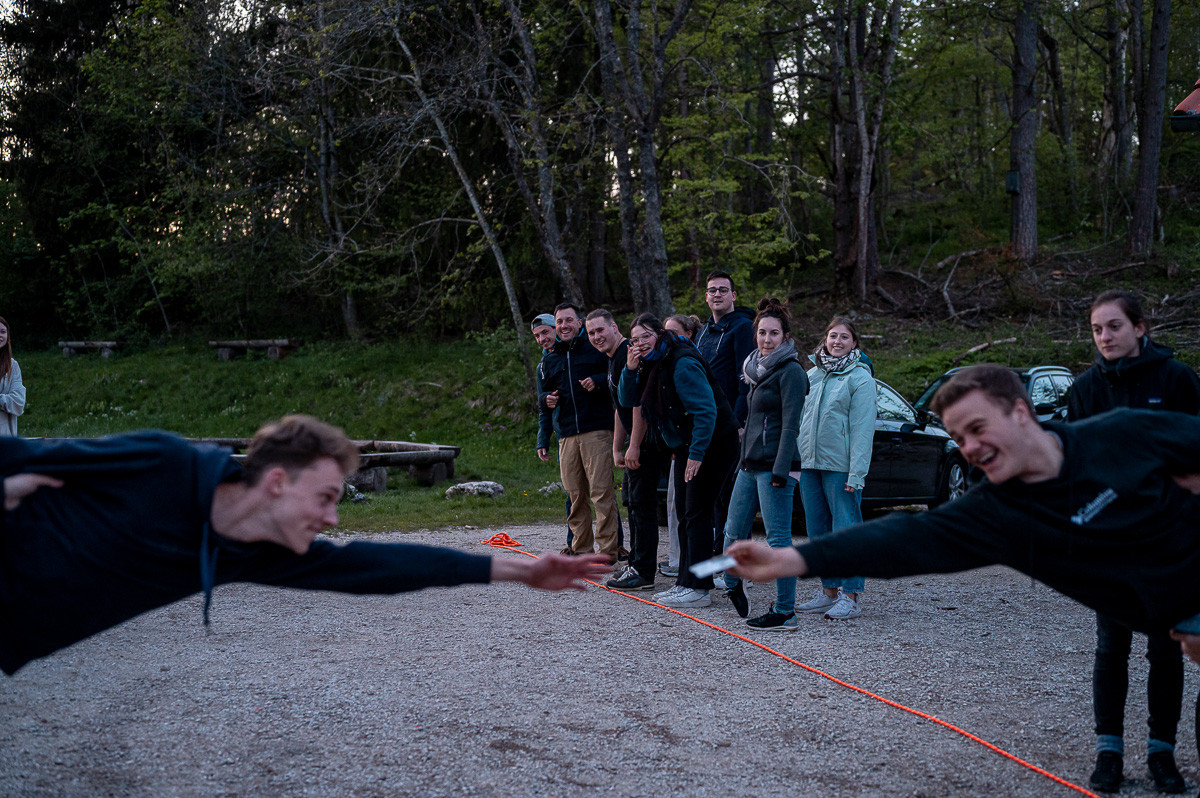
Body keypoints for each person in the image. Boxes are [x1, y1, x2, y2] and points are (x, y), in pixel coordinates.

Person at [725, 365, 1200, 775]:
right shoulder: (999, 516)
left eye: (977, 428)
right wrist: (793, 559)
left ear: (1020, 411)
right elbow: (905, 539)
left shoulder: (1119, 434)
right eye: (958, 438)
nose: (969, 447)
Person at [0, 415, 610, 676]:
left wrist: (523, 572)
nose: (331, 517)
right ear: (275, 482)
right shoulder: (163, 463)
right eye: (323, 497)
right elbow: (20, 454)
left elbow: (378, 566)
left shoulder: (256, 549)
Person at [1067, 290, 1200, 794]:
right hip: (1112, 545)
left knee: (1166, 650)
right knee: (1111, 648)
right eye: (1097, 329)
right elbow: (1073, 466)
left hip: (1168, 543)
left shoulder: (1178, 380)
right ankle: (1109, 752)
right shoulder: (1085, 389)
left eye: (1114, 326)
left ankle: (1161, 753)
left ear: (1141, 328)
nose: (1105, 337)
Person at [619, 313, 738, 608]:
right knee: (685, 515)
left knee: (697, 513)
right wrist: (630, 368)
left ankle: (699, 588)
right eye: (634, 340)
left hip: (714, 443)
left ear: (659, 334)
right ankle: (685, 582)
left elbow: (706, 411)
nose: (640, 343)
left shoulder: (682, 361)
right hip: (688, 444)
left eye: (646, 336)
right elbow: (628, 398)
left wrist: (696, 454)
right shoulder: (651, 362)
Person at [720, 298, 808, 629]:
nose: (766, 339)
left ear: (785, 337)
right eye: (761, 333)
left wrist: (780, 471)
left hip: (775, 467)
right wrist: (742, 460)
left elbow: (790, 426)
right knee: (732, 530)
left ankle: (785, 612)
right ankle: (732, 584)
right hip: (749, 464)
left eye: (773, 333)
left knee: (778, 540)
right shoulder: (756, 369)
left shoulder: (791, 372)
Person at [794, 316, 876, 621]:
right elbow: (798, 419)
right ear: (825, 340)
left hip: (841, 467)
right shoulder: (812, 375)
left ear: (854, 343)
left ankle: (850, 595)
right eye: (833, 336)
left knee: (846, 531)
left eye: (844, 337)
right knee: (818, 532)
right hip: (809, 465)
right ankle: (828, 591)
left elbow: (863, 429)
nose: (837, 342)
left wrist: (857, 473)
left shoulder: (860, 378)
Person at [541, 303, 621, 563]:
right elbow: (544, 395)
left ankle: (606, 553)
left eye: (568, 320)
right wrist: (545, 399)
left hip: (596, 430)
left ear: (579, 323)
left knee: (601, 493)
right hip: (566, 434)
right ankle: (581, 550)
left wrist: (597, 381)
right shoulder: (550, 358)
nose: (564, 326)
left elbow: (615, 376)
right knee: (575, 495)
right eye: (559, 322)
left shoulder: (595, 348)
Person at [586, 309, 656, 591]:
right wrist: (618, 447)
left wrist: (635, 446)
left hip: (648, 442)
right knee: (632, 502)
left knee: (642, 506)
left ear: (614, 327)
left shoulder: (629, 355)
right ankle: (635, 563)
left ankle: (643, 572)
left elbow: (639, 405)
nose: (596, 337)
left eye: (600, 330)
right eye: (591, 333)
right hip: (632, 443)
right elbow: (619, 407)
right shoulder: (613, 359)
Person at [694, 272, 756, 561]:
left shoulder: (743, 328)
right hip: (708, 424)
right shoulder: (704, 331)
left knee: (733, 496)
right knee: (716, 495)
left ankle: (739, 562)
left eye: (722, 290)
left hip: (732, 425)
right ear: (706, 297)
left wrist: (740, 421)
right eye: (712, 290)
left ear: (733, 295)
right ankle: (721, 557)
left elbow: (746, 378)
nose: (717, 294)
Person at [659, 314, 702, 579]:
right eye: (665, 333)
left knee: (690, 508)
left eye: (674, 333)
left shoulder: (688, 360)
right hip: (679, 446)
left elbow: (702, 410)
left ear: (688, 334)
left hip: (695, 446)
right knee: (674, 504)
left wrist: (695, 450)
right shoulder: (667, 360)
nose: (669, 338)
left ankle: (693, 568)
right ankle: (677, 560)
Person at [531, 312, 574, 553]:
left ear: (555, 329)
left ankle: (615, 544)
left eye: (545, 332)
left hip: (589, 429)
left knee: (601, 492)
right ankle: (572, 543)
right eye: (537, 336)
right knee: (571, 492)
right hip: (563, 433)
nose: (542, 339)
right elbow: (543, 407)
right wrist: (542, 440)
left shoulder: (571, 353)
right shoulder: (542, 366)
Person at [0, 317, 25, 437]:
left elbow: (19, 402)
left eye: (3, 332)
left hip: (4, 439)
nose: (0, 335)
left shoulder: (12, 366)